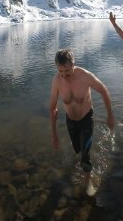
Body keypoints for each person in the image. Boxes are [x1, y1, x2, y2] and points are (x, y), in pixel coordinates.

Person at [49, 49, 115, 196]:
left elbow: (104, 90)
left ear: (73, 65)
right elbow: (53, 108)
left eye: (67, 71)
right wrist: (54, 135)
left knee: (84, 154)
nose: (64, 75)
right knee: (77, 149)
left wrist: (110, 115)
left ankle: (87, 180)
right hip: (70, 121)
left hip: (86, 118)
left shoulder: (84, 76)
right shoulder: (57, 81)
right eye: (61, 71)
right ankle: (80, 161)